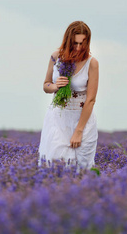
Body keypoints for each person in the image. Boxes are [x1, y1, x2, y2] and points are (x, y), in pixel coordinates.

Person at [38, 21, 99, 169]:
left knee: (82, 168)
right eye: (75, 43)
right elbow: (46, 85)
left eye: (82, 43)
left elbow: (90, 100)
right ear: (68, 41)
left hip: (81, 120)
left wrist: (79, 131)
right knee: (54, 164)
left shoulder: (92, 63)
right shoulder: (56, 57)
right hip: (58, 119)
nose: (78, 48)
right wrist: (55, 86)